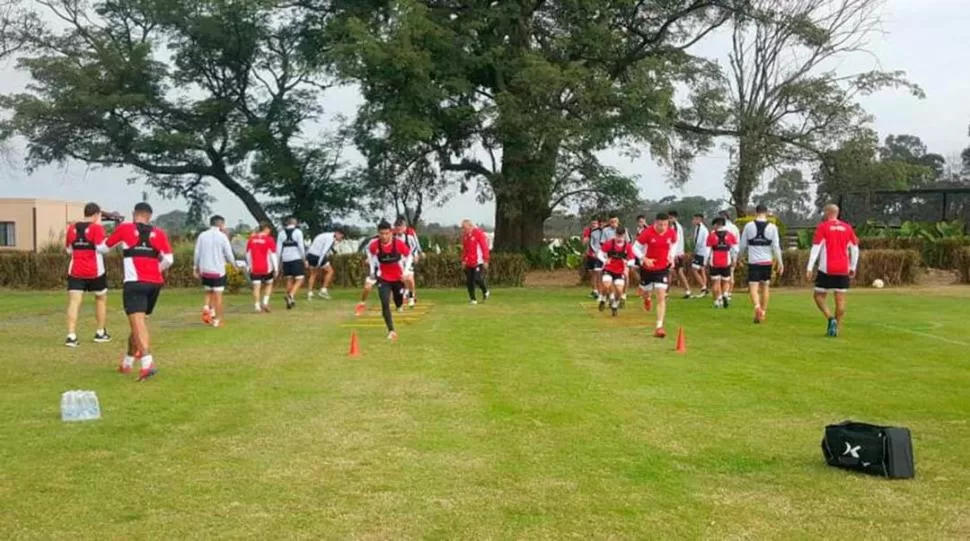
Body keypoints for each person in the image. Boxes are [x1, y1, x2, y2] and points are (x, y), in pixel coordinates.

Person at [105, 202, 173, 381]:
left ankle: (147, 362)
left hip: (135, 282)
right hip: (155, 284)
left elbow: (104, 247)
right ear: (149, 216)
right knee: (137, 323)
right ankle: (127, 362)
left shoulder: (125, 228)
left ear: (134, 213)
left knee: (137, 323)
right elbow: (169, 259)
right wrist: (156, 269)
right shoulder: (159, 233)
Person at [807, 204, 859, 337]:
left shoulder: (823, 227)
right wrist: (853, 267)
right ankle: (836, 328)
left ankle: (830, 318)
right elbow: (855, 249)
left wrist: (810, 267)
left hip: (826, 269)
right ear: (837, 213)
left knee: (818, 296)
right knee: (840, 300)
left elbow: (816, 247)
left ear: (827, 213)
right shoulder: (847, 228)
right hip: (843, 268)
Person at [64, 202, 112, 347]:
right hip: (95, 271)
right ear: (96, 214)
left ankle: (71, 335)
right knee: (100, 299)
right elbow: (102, 248)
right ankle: (100, 332)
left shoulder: (72, 228)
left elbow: (69, 250)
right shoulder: (97, 228)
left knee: (74, 302)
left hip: (76, 270)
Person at [738, 204, 784, 323]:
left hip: (754, 262)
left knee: (753, 287)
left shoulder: (749, 226)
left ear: (755, 212)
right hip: (767, 262)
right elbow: (776, 246)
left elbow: (743, 245)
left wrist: (739, 258)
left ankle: (757, 307)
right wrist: (780, 262)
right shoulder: (773, 227)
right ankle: (763, 312)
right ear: (766, 212)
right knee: (765, 287)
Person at [633, 213, 677, 338]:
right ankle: (647, 298)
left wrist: (671, 256)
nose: (662, 227)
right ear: (655, 222)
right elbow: (634, 248)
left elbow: (674, 244)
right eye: (660, 224)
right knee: (645, 292)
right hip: (647, 268)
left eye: (665, 225)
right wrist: (644, 258)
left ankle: (659, 327)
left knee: (660, 295)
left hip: (662, 268)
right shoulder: (647, 233)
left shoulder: (671, 233)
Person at [366, 220, 412, 340]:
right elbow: (370, 255)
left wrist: (406, 271)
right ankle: (391, 330)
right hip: (383, 278)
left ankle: (400, 303)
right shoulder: (374, 245)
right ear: (378, 233)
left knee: (398, 301)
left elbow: (409, 256)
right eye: (382, 234)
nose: (384, 236)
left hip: (398, 278)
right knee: (385, 302)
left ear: (391, 232)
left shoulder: (398, 243)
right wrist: (372, 271)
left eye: (387, 233)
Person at [193, 215, 236, 327]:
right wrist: (234, 264)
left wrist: (195, 267)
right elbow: (228, 253)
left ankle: (207, 308)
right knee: (218, 296)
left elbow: (197, 253)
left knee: (208, 291)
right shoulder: (222, 237)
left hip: (205, 270)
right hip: (217, 270)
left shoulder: (202, 235)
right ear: (221, 224)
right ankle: (217, 320)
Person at [597, 226, 636, 316]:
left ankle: (615, 306)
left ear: (624, 236)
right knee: (606, 285)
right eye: (618, 236)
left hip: (620, 271)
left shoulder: (627, 246)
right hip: (608, 269)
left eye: (621, 236)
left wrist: (627, 263)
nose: (619, 238)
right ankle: (603, 299)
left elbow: (633, 260)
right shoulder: (609, 244)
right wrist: (604, 260)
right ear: (615, 235)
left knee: (619, 291)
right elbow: (599, 254)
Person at [705, 217, 738, 308]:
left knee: (715, 282)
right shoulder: (730, 235)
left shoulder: (712, 235)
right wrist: (734, 260)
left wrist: (705, 261)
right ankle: (725, 294)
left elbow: (707, 251)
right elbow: (735, 250)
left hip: (714, 261)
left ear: (717, 224)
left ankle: (717, 301)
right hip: (726, 261)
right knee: (726, 281)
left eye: (714, 225)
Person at [246, 221, 278, 312]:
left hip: (254, 267)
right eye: (269, 229)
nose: (270, 231)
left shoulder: (251, 240)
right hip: (267, 268)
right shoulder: (269, 240)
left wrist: (249, 266)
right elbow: (273, 255)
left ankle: (257, 306)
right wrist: (276, 268)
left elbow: (248, 254)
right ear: (266, 229)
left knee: (256, 287)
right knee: (269, 283)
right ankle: (265, 302)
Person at [276, 216, 306, 309]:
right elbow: (301, 246)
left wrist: (278, 261)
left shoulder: (281, 233)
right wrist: (304, 259)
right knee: (300, 279)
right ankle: (291, 295)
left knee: (289, 279)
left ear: (287, 223)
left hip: (285, 259)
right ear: (295, 223)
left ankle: (290, 301)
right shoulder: (298, 232)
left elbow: (278, 249)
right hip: (296, 258)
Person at [306, 228, 344, 300]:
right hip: (318, 256)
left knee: (313, 274)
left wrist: (307, 258)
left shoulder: (327, 235)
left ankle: (309, 293)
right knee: (330, 271)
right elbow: (324, 252)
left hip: (310, 255)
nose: (341, 239)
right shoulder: (330, 239)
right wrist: (319, 263)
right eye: (341, 237)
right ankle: (323, 290)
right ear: (337, 233)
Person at [460, 219, 491, 304]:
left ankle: (485, 290)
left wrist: (486, 260)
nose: (464, 230)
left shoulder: (478, 233)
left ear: (470, 226)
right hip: (469, 262)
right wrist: (463, 260)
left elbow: (484, 247)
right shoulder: (465, 236)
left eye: (465, 228)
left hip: (478, 261)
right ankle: (473, 299)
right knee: (469, 281)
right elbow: (465, 249)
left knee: (477, 278)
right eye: (463, 228)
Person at [395, 217, 423, 307]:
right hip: (398, 259)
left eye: (401, 228)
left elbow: (415, 246)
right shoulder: (393, 237)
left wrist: (416, 255)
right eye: (397, 228)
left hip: (408, 258)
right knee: (401, 277)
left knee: (410, 277)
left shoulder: (409, 235)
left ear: (404, 227)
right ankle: (406, 292)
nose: (399, 230)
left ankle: (412, 295)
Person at [355, 232, 380, 316]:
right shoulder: (373, 242)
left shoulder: (392, 242)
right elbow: (370, 255)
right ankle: (362, 304)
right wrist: (372, 270)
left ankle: (388, 306)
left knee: (388, 289)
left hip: (387, 268)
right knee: (367, 287)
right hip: (375, 268)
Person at [718, 210, 741, 300]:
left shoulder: (724, 228)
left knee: (725, 274)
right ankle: (728, 292)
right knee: (730, 273)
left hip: (726, 252)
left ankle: (726, 292)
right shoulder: (734, 227)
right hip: (733, 252)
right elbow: (737, 242)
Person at [668, 210, 691, 299]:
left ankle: (665, 292)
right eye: (669, 217)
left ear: (675, 218)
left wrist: (675, 254)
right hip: (677, 253)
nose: (670, 219)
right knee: (679, 272)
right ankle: (687, 290)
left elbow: (676, 242)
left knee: (670, 272)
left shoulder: (676, 227)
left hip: (675, 254)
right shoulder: (674, 226)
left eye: (671, 218)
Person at [689, 214, 710, 298]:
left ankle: (704, 287)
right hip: (702, 252)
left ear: (699, 219)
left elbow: (699, 242)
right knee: (702, 270)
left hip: (701, 252)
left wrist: (694, 251)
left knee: (694, 269)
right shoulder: (698, 228)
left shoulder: (702, 229)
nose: (693, 221)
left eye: (694, 219)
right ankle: (704, 289)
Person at [582, 218, 603, 299]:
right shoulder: (588, 230)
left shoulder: (602, 231)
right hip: (590, 255)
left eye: (595, 223)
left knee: (598, 273)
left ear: (598, 224)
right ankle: (595, 290)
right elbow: (584, 242)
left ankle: (600, 291)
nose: (593, 225)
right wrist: (587, 238)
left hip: (599, 255)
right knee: (592, 274)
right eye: (592, 223)